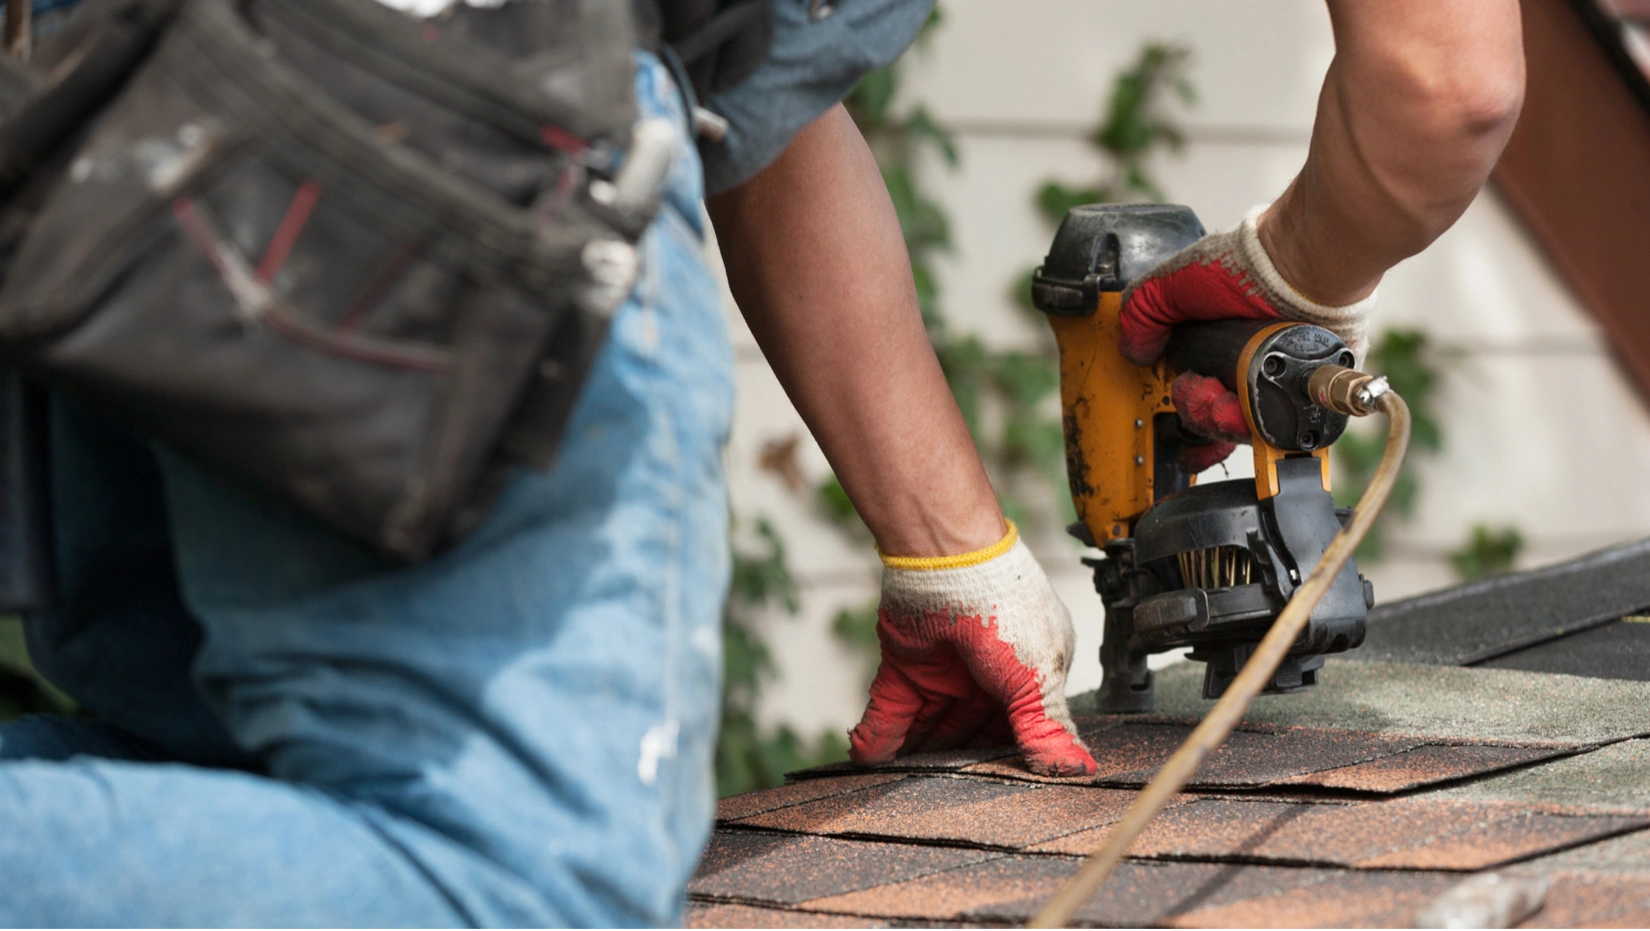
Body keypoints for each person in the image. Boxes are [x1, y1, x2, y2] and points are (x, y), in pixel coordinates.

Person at [0, 0, 1523, 927]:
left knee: (214, 793)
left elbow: (742, 77)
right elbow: (1439, 89)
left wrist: (952, 548)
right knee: (517, 886)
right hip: (428, 99)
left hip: (116, 106)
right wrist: (1294, 274)